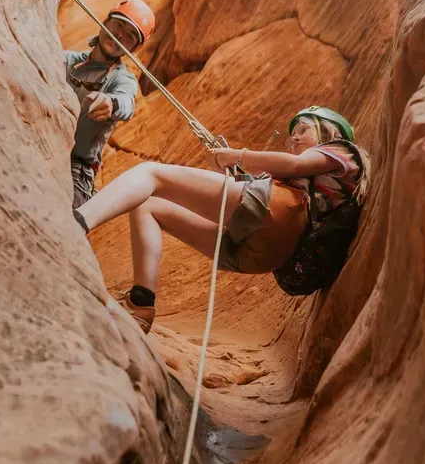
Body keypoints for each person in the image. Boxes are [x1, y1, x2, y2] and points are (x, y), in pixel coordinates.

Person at [74, 106, 371, 333]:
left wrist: (236, 155)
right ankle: (141, 303)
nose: (294, 136)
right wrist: (232, 168)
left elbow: (293, 165)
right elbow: (255, 194)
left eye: (303, 128)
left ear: (329, 132)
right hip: (263, 255)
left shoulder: (343, 152)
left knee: (151, 173)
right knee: (147, 205)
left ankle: (75, 223)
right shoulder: (310, 182)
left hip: (280, 212)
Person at [65, 0, 156, 209]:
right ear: (106, 22)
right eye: (119, 24)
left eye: (131, 36)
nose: (120, 35)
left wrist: (111, 104)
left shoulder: (122, 79)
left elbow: (126, 103)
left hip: (76, 168)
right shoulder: (67, 60)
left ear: (133, 49)